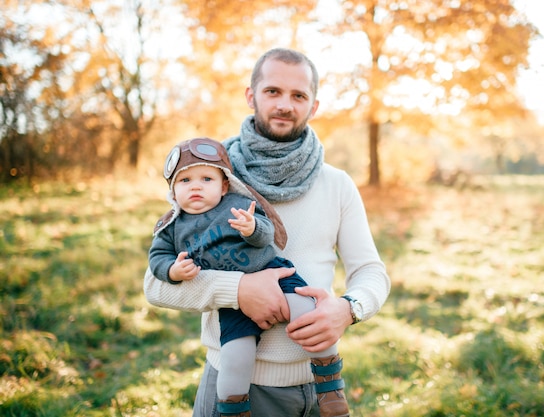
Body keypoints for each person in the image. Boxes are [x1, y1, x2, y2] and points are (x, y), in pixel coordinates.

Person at [144, 47, 390, 417]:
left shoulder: (336, 184)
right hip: (235, 388)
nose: (284, 105)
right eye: (272, 91)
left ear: (314, 106)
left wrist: (347, 309)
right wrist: (238, 290)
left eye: (298, 95)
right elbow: (156, 284)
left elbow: (371, 272)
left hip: (319, 389)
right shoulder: (210, 176)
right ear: (251, 96)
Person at [148, 137, 350, 417]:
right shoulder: (172, 226)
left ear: (224, 185)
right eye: (185, 181)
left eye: (206, 178)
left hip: (275, 274)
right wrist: (172, 270)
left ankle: (330, 386)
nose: (195, 186)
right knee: (235, 357)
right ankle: (234, 409)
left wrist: (251, 227)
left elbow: (267, 233)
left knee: (310, 312)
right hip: (232, 304)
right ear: (172, 190)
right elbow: (157, 258)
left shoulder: (236, 204)